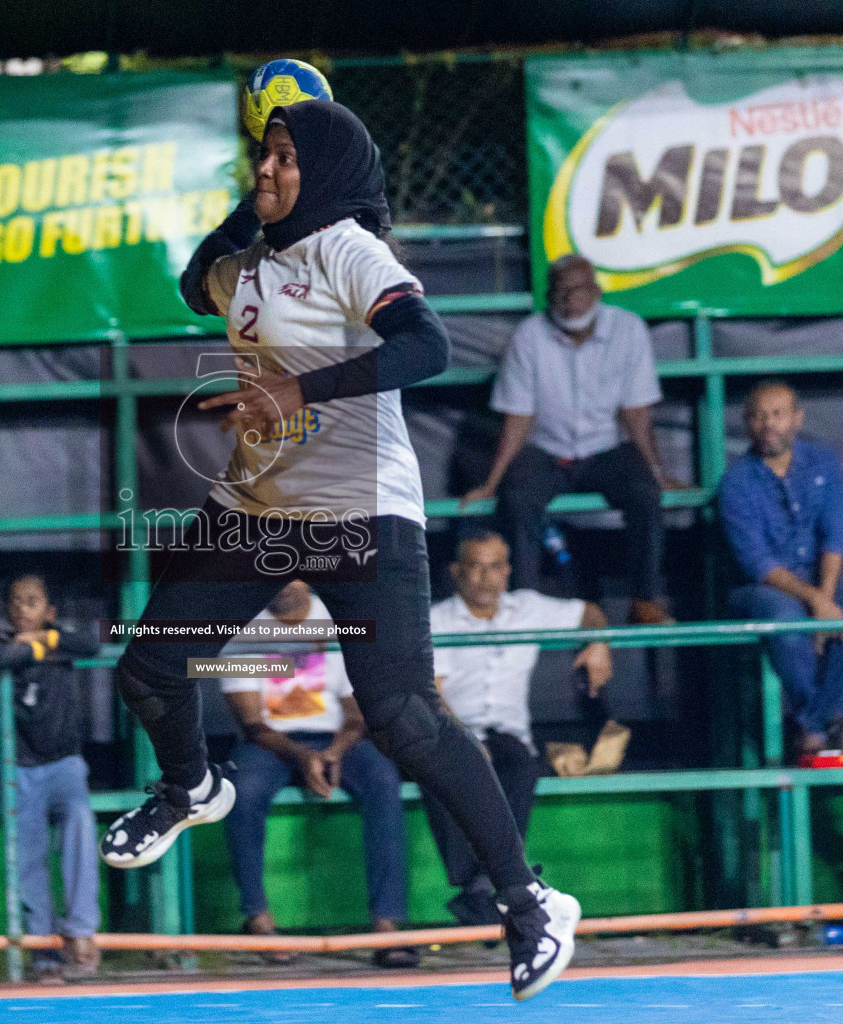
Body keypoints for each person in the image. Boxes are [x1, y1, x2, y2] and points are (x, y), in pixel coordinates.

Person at [99, 99, 579, 1002]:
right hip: (257, 506)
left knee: (398, 713)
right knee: (149, 670)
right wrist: (261, 195)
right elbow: (194, 278)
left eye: (284, 159)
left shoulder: (351, 251)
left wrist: (301, 387)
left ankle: (532, 901)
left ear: (324, 174)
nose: (267, 171)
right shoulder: (247, 266)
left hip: (362, 507)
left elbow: (427, 345)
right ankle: (191, 789)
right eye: (261, 157)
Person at [460, 255, 680, 626]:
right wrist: (491, 482)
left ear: (595, 291)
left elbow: (637, 413)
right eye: (560, 291)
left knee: (644, 493)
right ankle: (524, 606)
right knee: (517, 497)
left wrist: (658, 473)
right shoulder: (529, 335)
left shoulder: (628, 330)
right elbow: (518, 416)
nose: (569, 299)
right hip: (548, 452)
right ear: (549, 297)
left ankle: (644, 600)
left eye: (578, 288)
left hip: (605, 450)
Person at [221, 581, 417, 968]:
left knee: (383, 780)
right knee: (241, 790)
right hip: (272, 743)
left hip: (337, 736)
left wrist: (332, 751)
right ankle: (258, 919)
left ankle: (387, 924)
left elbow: (357, 713)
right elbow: (252, 724)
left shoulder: (340, 620)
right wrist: (303, 756)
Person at [425, 532, 612, 926]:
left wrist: (598, 642)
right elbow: (434, 697)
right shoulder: (436, 619)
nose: (484, 577)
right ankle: (484, 886)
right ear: (456, 571)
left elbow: (590, 612)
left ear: (507, 571)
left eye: (494, 566)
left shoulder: (528, 607)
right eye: (474, 566)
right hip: (449, 731)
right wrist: (466, 742)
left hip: (509, 735)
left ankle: (482, 888)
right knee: (446, 769)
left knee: (521, 766)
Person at [719, 380, 843, 758]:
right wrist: (816, 602)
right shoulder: (736, 482)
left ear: (797, 419)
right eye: (758, 416)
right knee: (787, 623)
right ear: (746, 423)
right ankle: (828, 727)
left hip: (822, 574)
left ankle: (812, 727)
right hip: (763, 584)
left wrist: (824, 597)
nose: (767, 424)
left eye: (777, 414)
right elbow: (757, 564)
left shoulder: (823, 462)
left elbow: (836, 537)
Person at [0, 574, 103, 983]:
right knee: (29, 857)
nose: (22, 609)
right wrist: (36, 645)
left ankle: (81, 931)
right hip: (19, 767)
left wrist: (46, 641)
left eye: (32, 602)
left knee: (79, 827)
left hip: (66, 763)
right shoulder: (1, 643)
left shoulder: (61, 640)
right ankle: (42, 949)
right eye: (15, 601)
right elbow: (4, 659)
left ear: (49, 612)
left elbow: (92, 645)